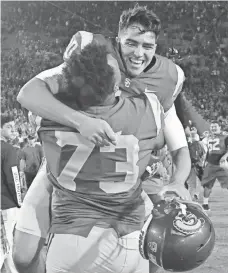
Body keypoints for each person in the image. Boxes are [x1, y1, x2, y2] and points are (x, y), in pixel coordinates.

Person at [14, 4, 191, 273]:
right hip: (70, 168)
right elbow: (29, 92)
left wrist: (178, 180)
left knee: (160, 247)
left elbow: (178, 141)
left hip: (136, 171)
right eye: (131, 43)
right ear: (117, 40)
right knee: (23, 257)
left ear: (156, 46)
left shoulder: (167, 77)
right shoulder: (93, 54)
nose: (139, 53)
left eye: (147, 46)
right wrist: (82, 121)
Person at [1, 113, 20, 273]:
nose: (13, 130)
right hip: (6, 204)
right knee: (5, 244)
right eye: (9, 127)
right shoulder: (8, 149)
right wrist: (19, 201)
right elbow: (13, 179)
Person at [201, 122, 228, 212]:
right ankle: (205, 204)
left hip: (222, 163)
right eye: (211, 126)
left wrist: (224, 157)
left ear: (220, 127)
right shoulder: (208, 137)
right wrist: (204, 161)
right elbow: (208, 151)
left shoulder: (225, 136)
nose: (213, 128)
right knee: (208, 185)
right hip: (211, 163)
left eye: (215, 126)